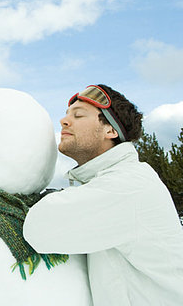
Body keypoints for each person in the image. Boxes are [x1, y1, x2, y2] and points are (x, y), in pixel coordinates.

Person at [23, 84, 183, 306]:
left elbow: (38, 228)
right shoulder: (113, 182)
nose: (64, 121)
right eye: (67, 114)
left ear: (110, 130)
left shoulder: (128, 184)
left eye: (78, 115)